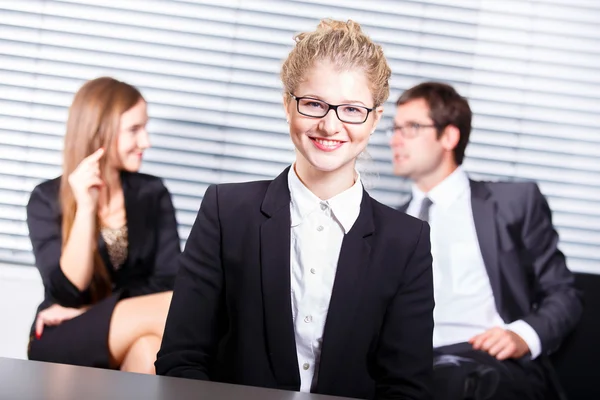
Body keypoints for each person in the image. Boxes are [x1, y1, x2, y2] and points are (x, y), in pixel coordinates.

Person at [156, 19, 434, 400]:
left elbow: (406, 387)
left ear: (375, 120)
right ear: (288, 105)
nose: (330, 124)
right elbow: (181, 359)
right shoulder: (226, 211)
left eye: (352, 109)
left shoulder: (406, 240)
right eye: (314, 104)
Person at [388, 81, 582, 399]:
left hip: (484, 362)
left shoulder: (513, 203)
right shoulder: (388, 223)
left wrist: (523, 334)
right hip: (406, 365)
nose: (395, 140)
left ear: (449, 136)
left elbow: (564, 294)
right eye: (394, 128)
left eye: (411, 127)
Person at [26, 77, 181, 374]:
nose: (145, 142)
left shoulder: (152, 193)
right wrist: (86, 207)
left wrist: (94, 312)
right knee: (184, 309)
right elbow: (68, 293)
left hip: (95, 320)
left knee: (150, 349)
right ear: (99, 133)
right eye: (134, 130)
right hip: (62, 331)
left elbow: (167, 279)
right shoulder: (46, 199)